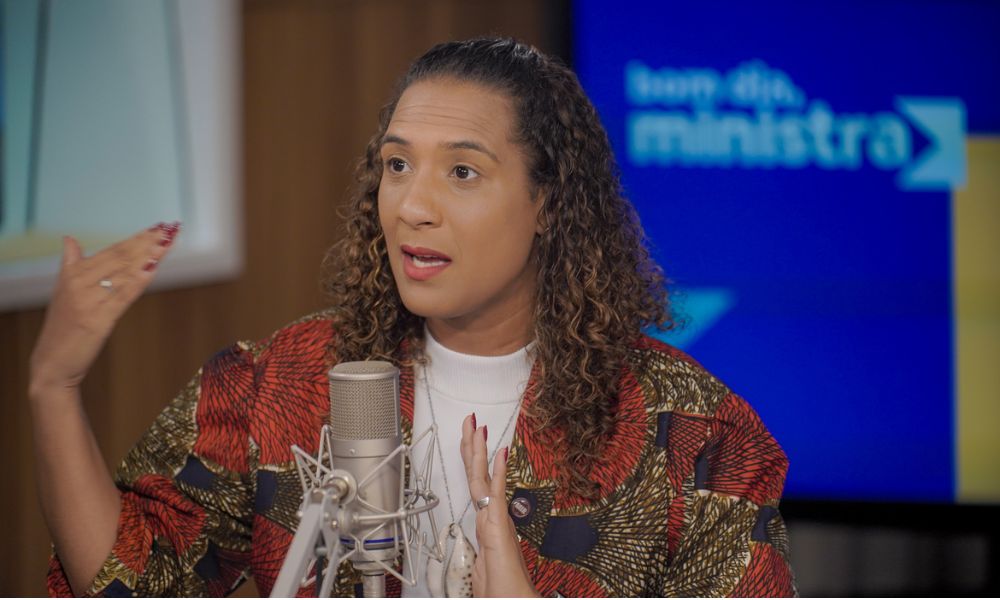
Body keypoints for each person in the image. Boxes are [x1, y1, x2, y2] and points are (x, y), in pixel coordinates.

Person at [31, 38, 796, 597]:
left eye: (462, 171)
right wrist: (54, 386)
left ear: (549, 203)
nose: (412, 207)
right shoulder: (277, 383)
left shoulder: (695, 438)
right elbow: (137, 580)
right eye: (398, 165)